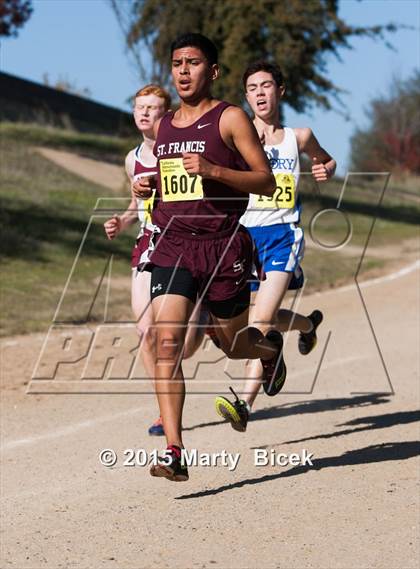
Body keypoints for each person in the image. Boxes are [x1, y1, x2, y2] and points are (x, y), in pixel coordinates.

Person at [132, 34, 287, 482]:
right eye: (177, 63)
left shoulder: (230, 118)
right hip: (176, 245)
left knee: (233, 344)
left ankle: (270, 349)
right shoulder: (164, 127)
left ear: (212, 71)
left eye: (193, 63)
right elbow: (175, 185)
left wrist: (216, 170)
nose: (183, 71)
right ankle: (175, 451)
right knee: (166, 344)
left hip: (223, 246)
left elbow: (265, 181)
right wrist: (146, 188)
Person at [214, 61, 336, 432]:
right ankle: (306, 326)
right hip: (245, 239)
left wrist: (325, 169)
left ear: (280, 91)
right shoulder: (236, 137)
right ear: (246, 96)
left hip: (283, 235)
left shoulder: (297, 137)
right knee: (253, 321)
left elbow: (325, 160)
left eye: (267, 85)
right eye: (252, 88)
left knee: (261, 320)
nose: (260, 93)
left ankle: (244, 405)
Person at [103, 84, 207, 437]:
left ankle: (203, 313)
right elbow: (136, 208)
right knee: (147, 333)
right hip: (148, 245)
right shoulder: (132, 159)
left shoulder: (179, 151)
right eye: (138, 107)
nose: (144, 113)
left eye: (151, 108)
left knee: (186, 345)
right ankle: (164, 410)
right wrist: (122, 220)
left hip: (184, 245)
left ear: (166, 114)